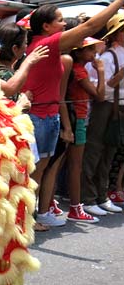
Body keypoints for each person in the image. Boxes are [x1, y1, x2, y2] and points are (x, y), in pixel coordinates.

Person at [23, 0, 124, 228]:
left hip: (49, 116)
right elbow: (90, 27)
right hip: (39, 117)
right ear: (46, 26)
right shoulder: (47, 43)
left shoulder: (53, 47)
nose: (64, 24)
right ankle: (27, 220)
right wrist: (120, 1)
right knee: (34, 173)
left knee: (41, 171)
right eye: (59, 21)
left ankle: (33, 217)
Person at [84, 13, 124, 217]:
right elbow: (104, 89)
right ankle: (88, 198)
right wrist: (120, 75)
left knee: (110, 152)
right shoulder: (108, 57)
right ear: (116, 34)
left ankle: (102, 195)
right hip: (106, 106)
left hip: (119, 107)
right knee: (95, 151)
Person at [64, 37, 105, 222]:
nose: (94, 53)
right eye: (89, 50)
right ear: (78, 52)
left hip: (77, 117)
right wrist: (101, 72)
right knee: (75, 165)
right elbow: (100, 96)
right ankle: (75, 207)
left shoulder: (77, 68)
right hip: (78, 118)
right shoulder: (78, 70)